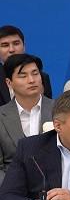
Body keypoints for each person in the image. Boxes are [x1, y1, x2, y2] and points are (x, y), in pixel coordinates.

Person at [0, 54, 54, 185]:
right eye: (23, 76)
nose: (31, 80)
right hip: (12, 189)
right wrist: (12, 190)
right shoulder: (1, 116)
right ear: (9, 83)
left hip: (56, 188)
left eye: (35, 74)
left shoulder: (60, 110)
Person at [0, 25, 53, 104]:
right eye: (5, 45)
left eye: (16, 44)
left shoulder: (43, 78)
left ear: (24, 46)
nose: (11, 49)